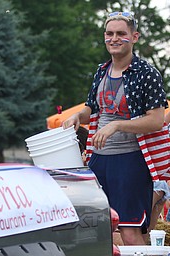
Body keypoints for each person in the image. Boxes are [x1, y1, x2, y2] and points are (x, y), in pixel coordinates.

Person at [62, 11, 170, 245]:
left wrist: (117, 125)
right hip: (97, 161)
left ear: (135, 37)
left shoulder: (147, 73)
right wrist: (76, 116)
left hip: (131, 161)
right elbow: (90, 107)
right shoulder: (101, 71)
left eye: (121, 33)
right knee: (102, 232)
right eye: (109, 34)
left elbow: (157, 120)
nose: (114, 38)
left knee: (130, 232)